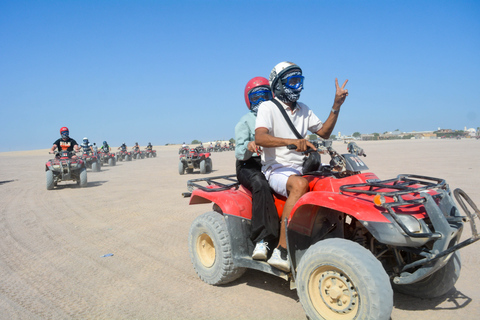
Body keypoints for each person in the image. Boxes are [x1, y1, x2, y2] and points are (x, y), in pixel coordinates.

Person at [255, 61, 348, 271]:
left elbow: (323, 132)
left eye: (300, 81)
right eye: (293, 81)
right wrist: (291, 142)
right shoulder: (267, 107)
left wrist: (336, 106)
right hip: (277, 169)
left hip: (302, 167)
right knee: (299, 186)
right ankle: (281, 250)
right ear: (278, 84)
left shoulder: (304, 109)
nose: (298, 86)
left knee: (340, 177)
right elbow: (260, 137)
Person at [235, 76, 278, 261]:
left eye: (265, 95)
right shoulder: (245, 121)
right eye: (256, 97)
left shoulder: (277, 117)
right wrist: (249, 146)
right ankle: (262, 239)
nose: (261, 102)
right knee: (260, 184)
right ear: (248, 100)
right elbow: (239, 151)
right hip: (249, 165)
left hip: (271, 161)